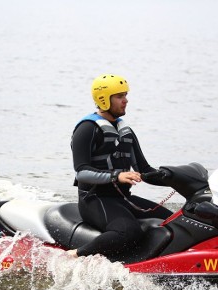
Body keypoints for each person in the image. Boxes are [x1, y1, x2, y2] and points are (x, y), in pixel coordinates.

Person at [69, 73, 173, 258]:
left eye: (125, 95)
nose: (126, 101)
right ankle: (75, 255)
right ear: (103, 99)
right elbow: (82, 172)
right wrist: (116, 175)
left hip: (122, 199)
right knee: (129, 231)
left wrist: (179, 179)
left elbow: (146, 170)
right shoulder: (87, 129)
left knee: (173, 221)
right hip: (94, 200)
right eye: (119, 96)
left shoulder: (126, 132)